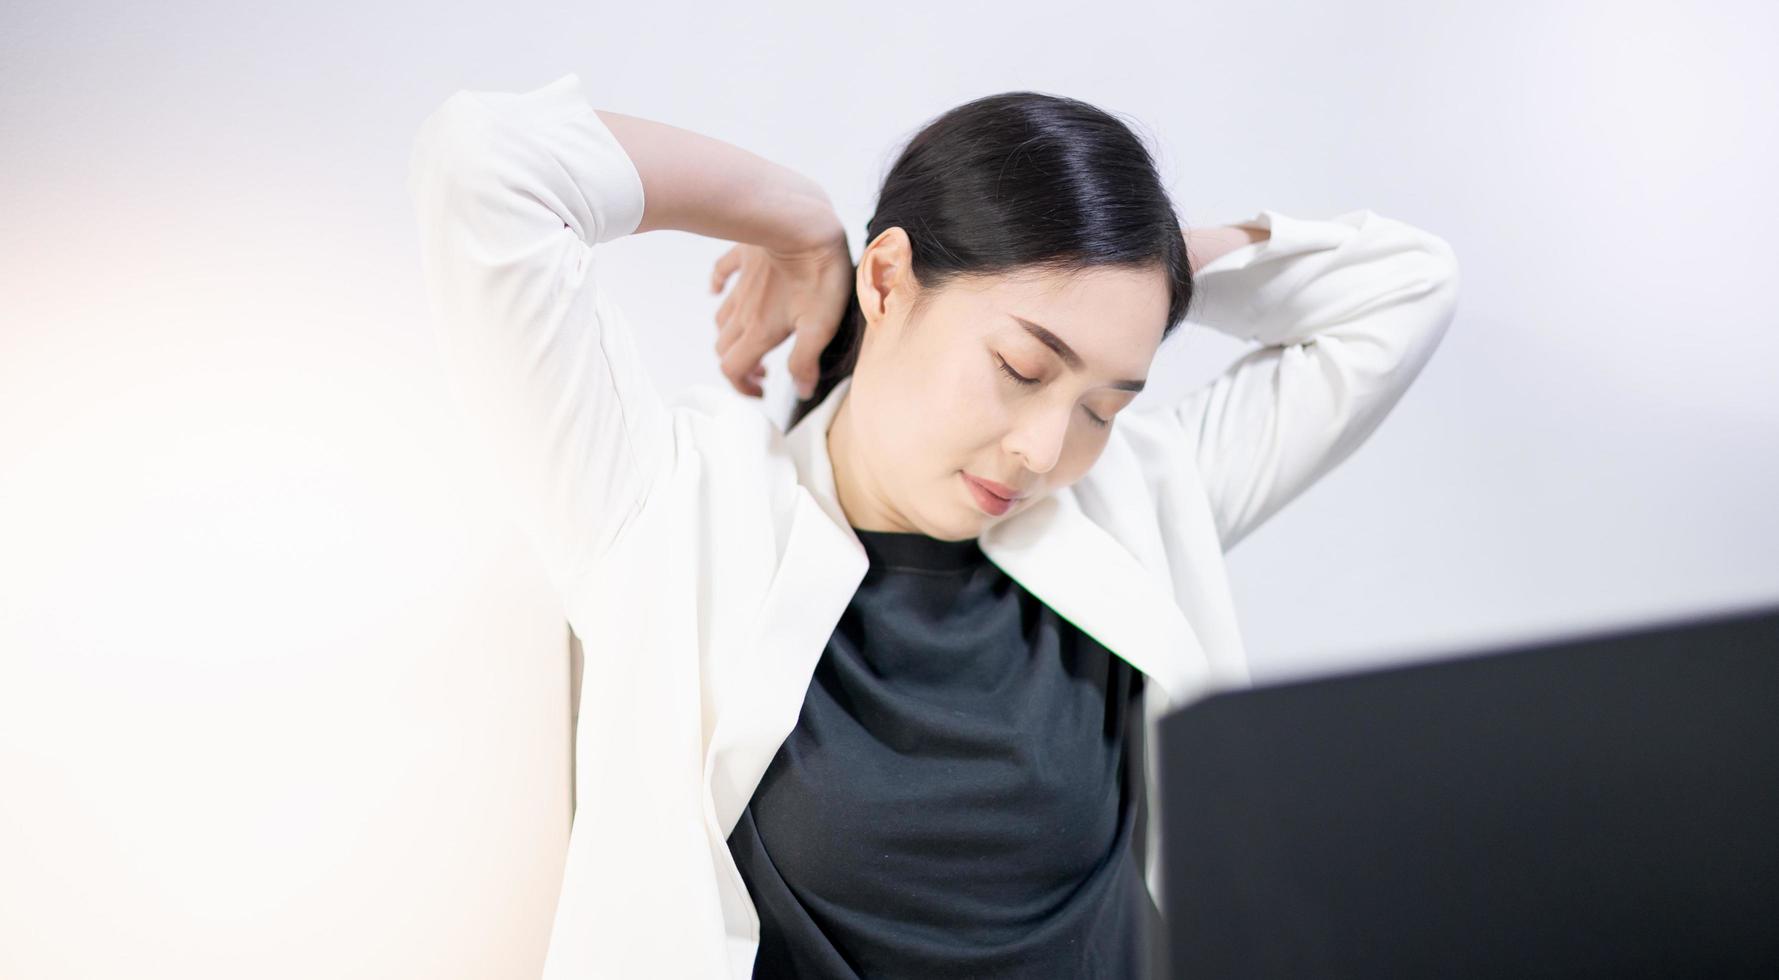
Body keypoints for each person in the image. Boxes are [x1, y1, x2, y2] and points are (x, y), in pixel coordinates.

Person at [406, 71, 1460, 979]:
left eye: (1106, 404)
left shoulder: (1133, 502)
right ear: (886, 278)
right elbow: (486, 166)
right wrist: (798, 220)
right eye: (1024, 367)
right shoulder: (666, 506)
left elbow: (1406, 290)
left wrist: (1132, 264)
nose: (1046, 451)